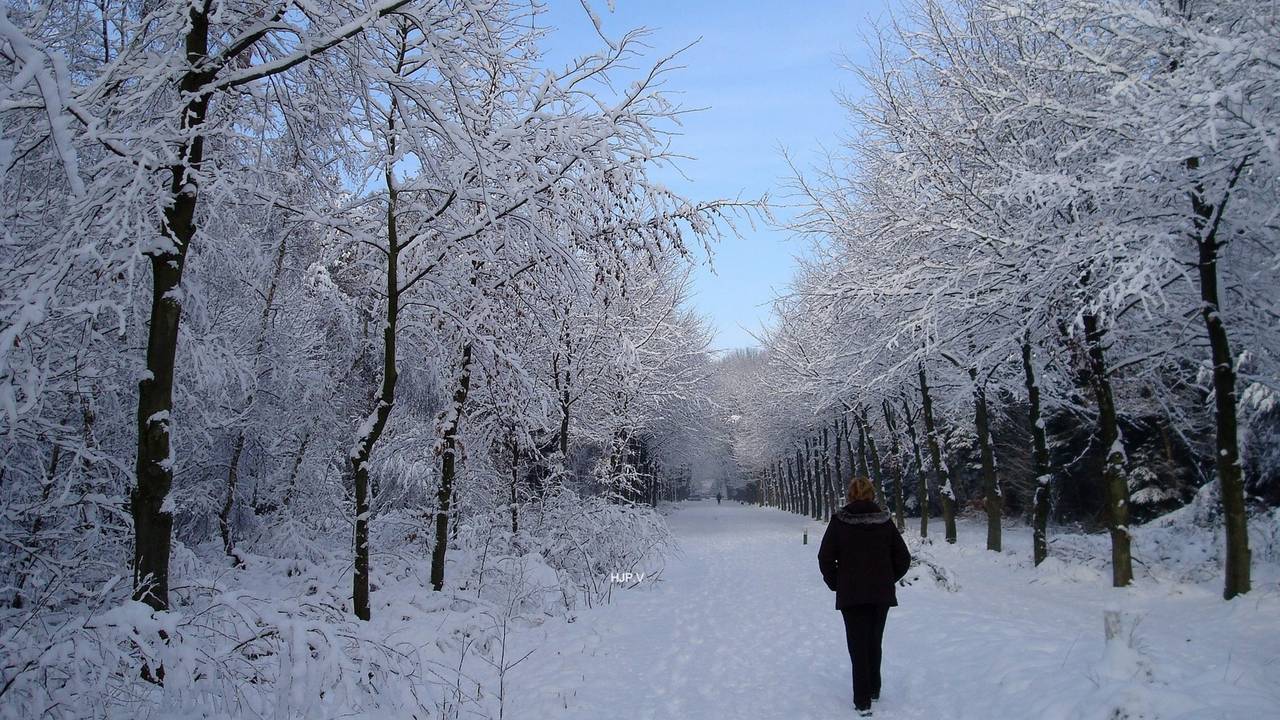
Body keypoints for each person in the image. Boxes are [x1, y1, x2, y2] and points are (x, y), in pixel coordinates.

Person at [817, 477, 911, 716]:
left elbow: (825, 557)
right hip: (880, 594)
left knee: (857, 645)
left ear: (850, 495)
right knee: (874, 641)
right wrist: (887, 578)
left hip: (852, 594)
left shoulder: (840, 522)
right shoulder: (884, 522)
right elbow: (903, 558)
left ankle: (862, 700)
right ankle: (874, 689)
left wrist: (837, 583)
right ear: (872, 494)